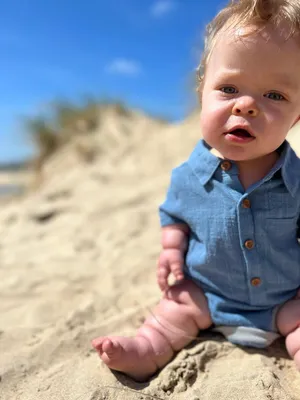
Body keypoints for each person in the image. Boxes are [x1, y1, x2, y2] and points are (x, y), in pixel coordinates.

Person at [92, 0, 300, 382]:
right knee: (171, 312)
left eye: (275, 95)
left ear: (298, 114)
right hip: (207, 294)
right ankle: (144, 350)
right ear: (202, 92)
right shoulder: (188, 176)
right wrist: (172, 249)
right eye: (229, 88)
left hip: (284, 297)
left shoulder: (298, 179)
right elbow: (174, 215)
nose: (247, 105)